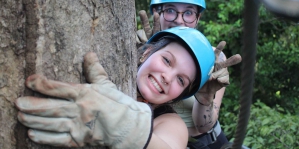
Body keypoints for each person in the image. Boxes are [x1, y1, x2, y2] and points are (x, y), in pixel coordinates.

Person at [15, 27, 219, 149]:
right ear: (146, 53)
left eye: (181, 81)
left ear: (180, 95)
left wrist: (125, 126)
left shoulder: (170, 122)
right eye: (167, 60)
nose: (167, 77)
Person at [136, 0, 242, 149]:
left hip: (203, 142)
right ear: (156, 12)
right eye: (170, 10)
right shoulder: (140, 44)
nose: (179, 20)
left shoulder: (212, 59)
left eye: (188, 13)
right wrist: (140, 52)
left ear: (197, 18)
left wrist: (205, 99)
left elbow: (204, 125)